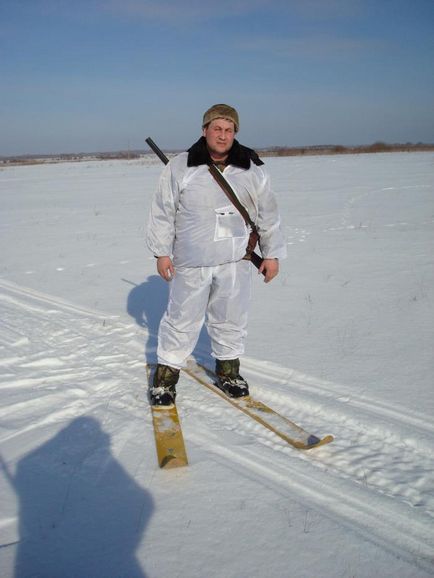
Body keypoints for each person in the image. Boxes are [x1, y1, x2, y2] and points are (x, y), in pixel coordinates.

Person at [146, 104, 287, 405]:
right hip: (191, 260)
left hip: (235, 260)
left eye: (229, 130)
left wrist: (271, 254)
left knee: (231, 319)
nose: (223, 136)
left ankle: (228, 371)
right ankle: (166, 377)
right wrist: (161, 252)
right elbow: (162, 212)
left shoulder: (252, 167)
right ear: (204, 130)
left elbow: (268, 215)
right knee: (181, 319)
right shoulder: (181, 166)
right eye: (217, 129)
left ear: (235, 133)